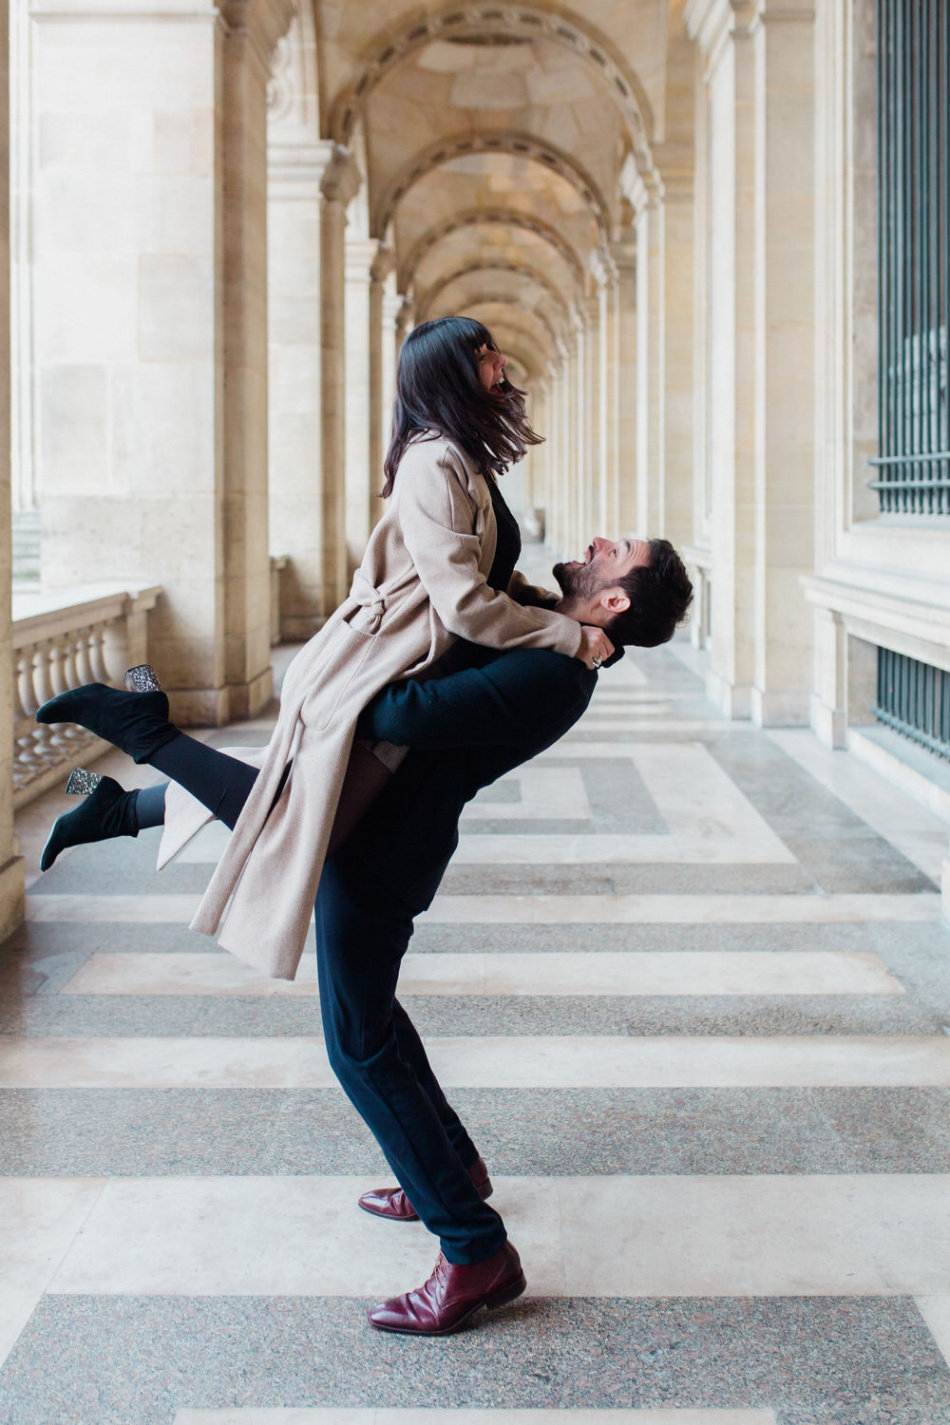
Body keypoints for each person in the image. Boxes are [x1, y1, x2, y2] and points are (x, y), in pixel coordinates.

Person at [35, 534, 694, 1336]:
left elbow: (397, 708)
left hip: (384, 845)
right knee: (369, 1015)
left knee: (357, 1044)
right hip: (383, 824)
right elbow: (482, 553)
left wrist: (372, 649)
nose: (597, 542)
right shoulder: (539, 629)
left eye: (615, 549)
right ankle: (453, 1172)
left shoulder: (552, 669)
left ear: (616, 600)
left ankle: (474, 1247)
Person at [35, 317, 613, 981]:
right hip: (370, 664)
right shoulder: (433, 461)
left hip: (401, 659)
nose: (499, 363)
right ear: (450, 375)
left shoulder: (464, 457)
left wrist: (541, 603)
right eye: (484, 355)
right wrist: (567, 632)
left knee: (295, 799)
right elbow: (461, 603)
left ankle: (119, 804)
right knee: (309, 818)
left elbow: (482, 574)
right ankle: (147, 736)